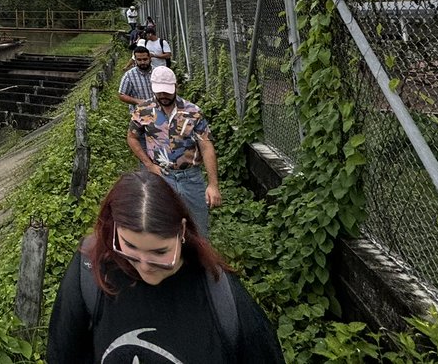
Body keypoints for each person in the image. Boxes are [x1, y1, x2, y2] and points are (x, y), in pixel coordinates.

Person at [46, 171, 284, 363]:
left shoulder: (222, 297)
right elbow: (62, 353)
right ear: (113, 226)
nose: (145, 266)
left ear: (181, 231)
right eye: (129, 246)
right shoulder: (91, 271)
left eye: (159, 252)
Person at [126, 66, 220, 237]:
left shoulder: (193, 112)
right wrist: (148, 164)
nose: (163, 96)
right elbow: (132, 138)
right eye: (160, 92)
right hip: (160, 177)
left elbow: (206, 146)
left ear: (176, 86)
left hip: (190, 177)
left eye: (167, 92)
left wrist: (213, 185)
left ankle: (198, 260)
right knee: (161, 225)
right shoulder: (143, 111)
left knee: (198, 228)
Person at [117, 45, 155, 112]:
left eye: (145, 59)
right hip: (139, 114)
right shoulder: (129, 75)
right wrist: (137, 101)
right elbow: (122, 95)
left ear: (150, 58)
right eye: (139, 60)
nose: (142, 62)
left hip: (159, 111)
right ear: (135, 60)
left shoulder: (157, 72)